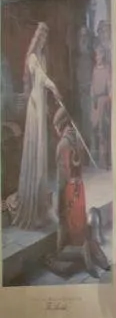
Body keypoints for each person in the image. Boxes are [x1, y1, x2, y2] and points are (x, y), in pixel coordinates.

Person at [8, 22, 60, 231]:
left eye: (47, 36)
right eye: (42, 35)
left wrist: (49, 100)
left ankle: (40, 206)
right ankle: (31, 205)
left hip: (41, 106)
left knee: (42, 159)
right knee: (35, 153)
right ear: (37, 37)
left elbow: (43, 84)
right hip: (34, 108)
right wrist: (54, 87)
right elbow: (41, 79)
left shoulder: (44, 57)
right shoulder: (32, 58)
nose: (44, 39)